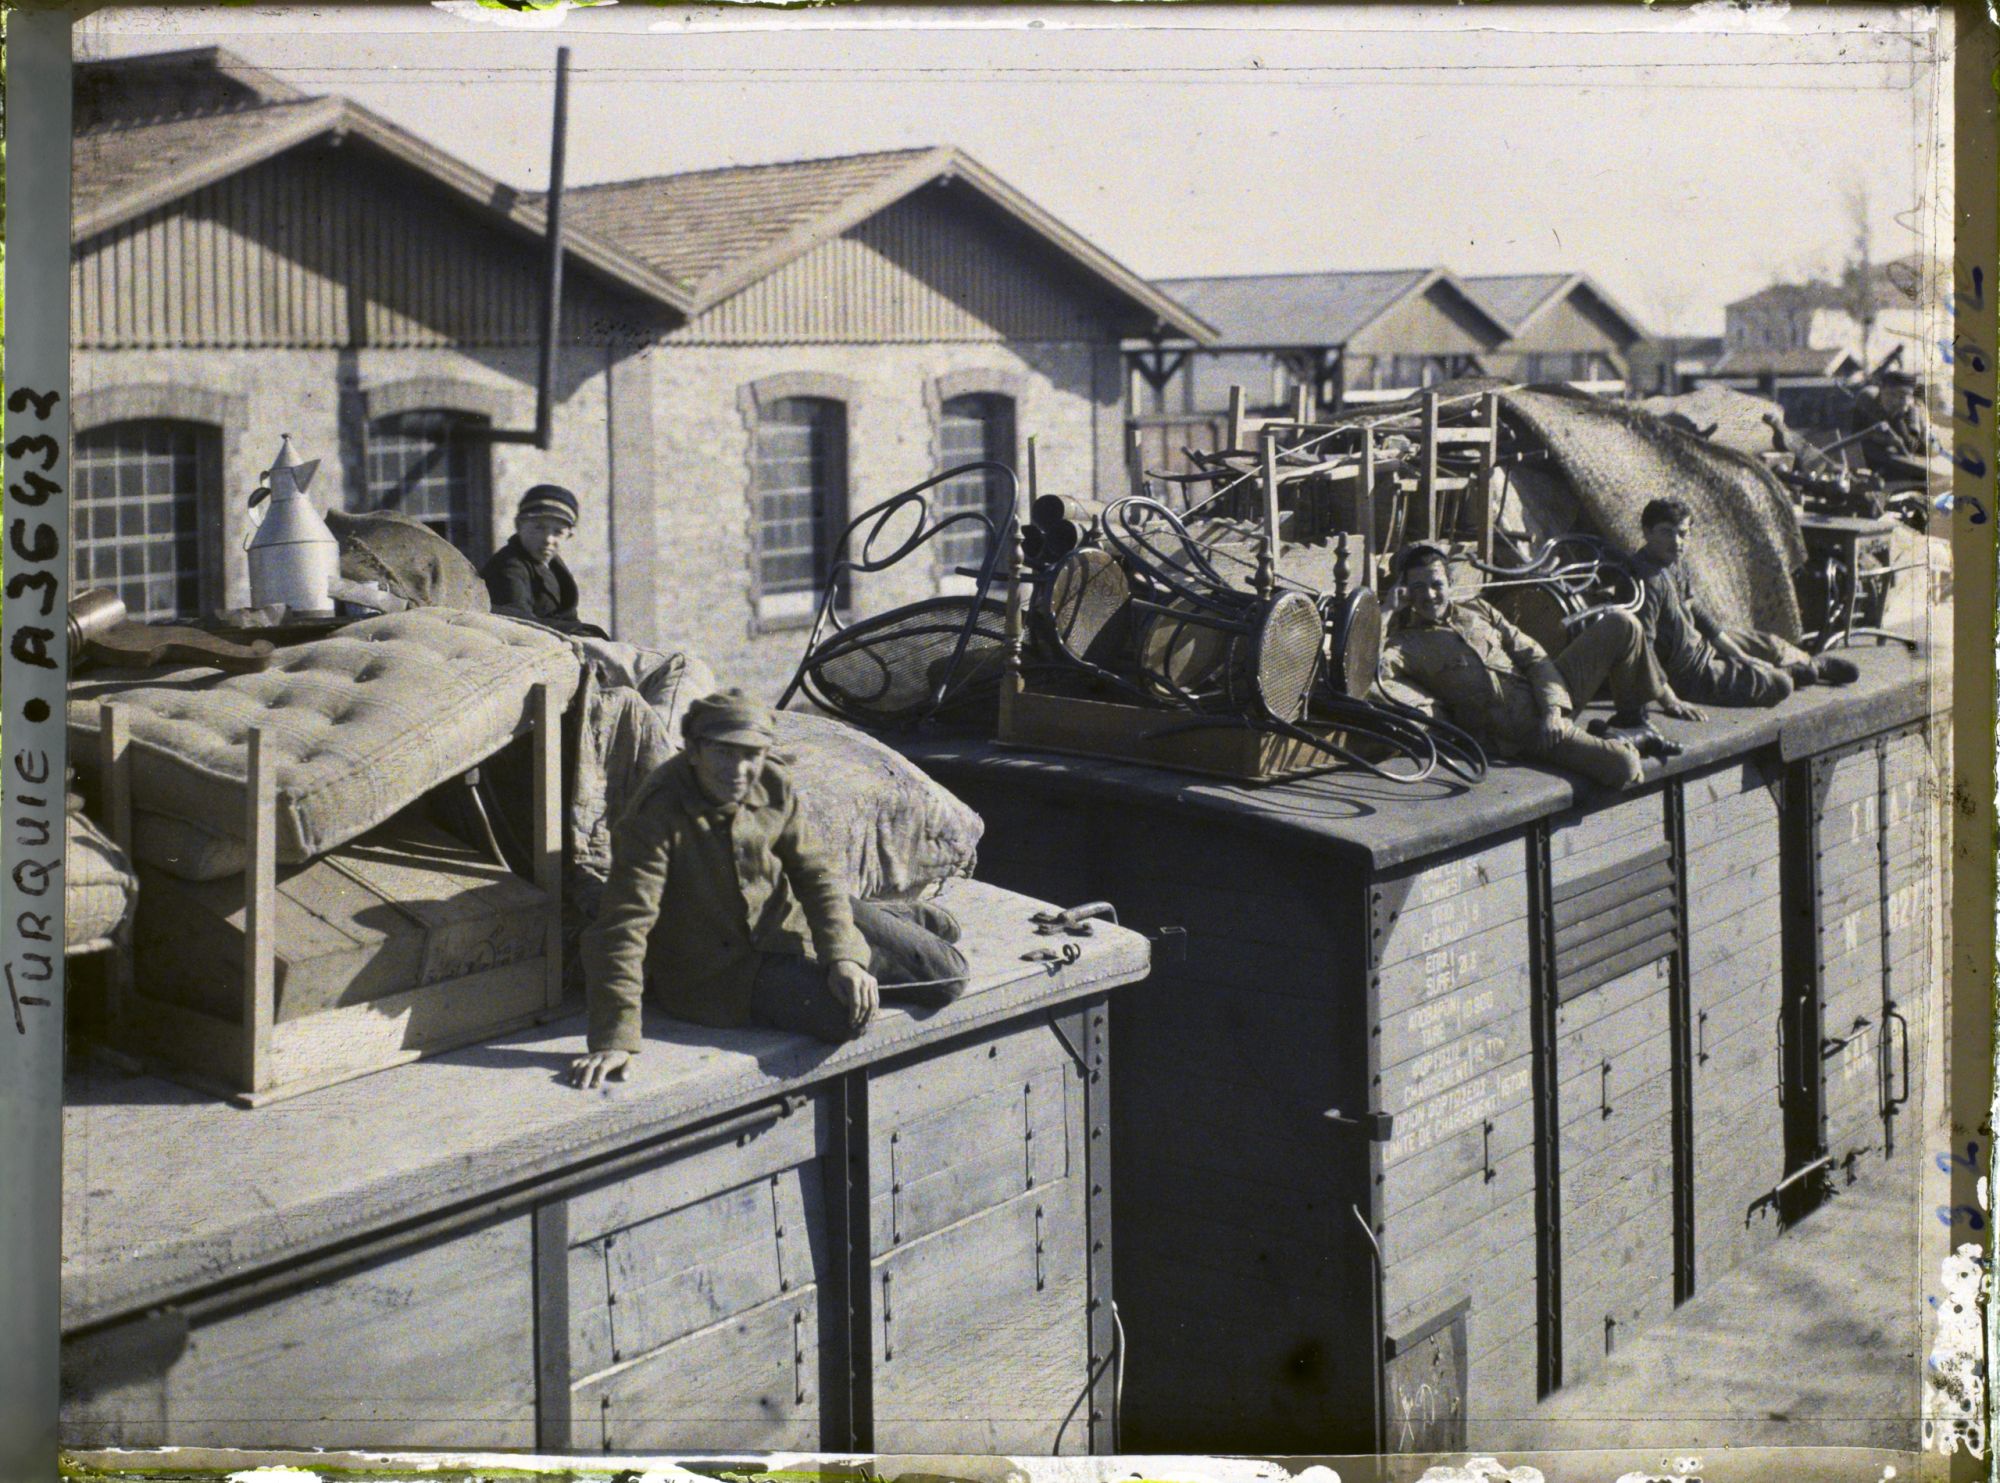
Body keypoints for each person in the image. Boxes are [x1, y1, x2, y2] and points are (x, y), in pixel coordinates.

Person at [569, 690, 968, 1089]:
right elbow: (622, 927)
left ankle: (885, 921)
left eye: (751, 754)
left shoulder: (771, 782)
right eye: (724, 753)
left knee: (948, 975)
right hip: (722, 970)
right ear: (694, 751)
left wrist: (845, 958)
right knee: (846, 1015)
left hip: (788, 919)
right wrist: (614, 1039)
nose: (739, 769)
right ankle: (889, 922)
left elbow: (815, 874)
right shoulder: (656, 815)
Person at [1374, 543, 1667, 790]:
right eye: (1418, 588)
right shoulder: (1406, 645)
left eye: (1437, 584)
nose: (1429, 595)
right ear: (1406, 593)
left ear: (1449, 584)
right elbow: (1373, 670)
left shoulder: (1478, 610)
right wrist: (1387, 610)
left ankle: (1630, 721)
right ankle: (1620, 740)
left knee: (1621, 622)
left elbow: (1533, 656)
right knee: (1625, 767)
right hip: (1527, 733)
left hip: (1552, 698)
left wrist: (1554, 710)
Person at [1625, 497, 1856, 720]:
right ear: (1647, 532)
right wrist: (1670, 699)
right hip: (1685, 673)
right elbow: (1643, 649)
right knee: (1779, 684)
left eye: (1683, 533)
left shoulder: (1676, 561)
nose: (1676, 541)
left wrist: (1740, 653)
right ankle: (1788, 672)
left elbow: (1696, 611)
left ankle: (1809, 664)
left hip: (1699, 645)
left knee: (1769, 644)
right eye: (1666, 532)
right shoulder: (1647, 580)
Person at [480, 484, 609, 639]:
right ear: (519, 525)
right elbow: (516, 621)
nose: (548, 539)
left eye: (558, 532)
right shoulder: (509, 566)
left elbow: (568, 615)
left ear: (569, 535)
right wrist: (575, 630)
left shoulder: (552, 565)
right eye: (538, 528)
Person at [1841, 369, 1932, 482]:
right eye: (1891, 394)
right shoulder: (1869, 400)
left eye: (1902, 396)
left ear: (1910, 397)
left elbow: (1917, 450)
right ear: (1881, 390)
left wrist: (1899, 418)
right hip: (1873, 462)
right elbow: (1854, 438)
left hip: (1906, 469)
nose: (1894, 400)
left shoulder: (1915, 411)